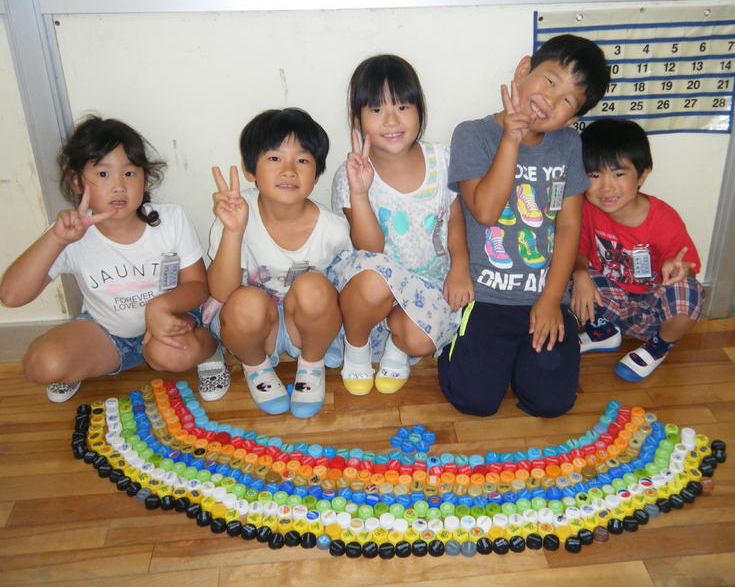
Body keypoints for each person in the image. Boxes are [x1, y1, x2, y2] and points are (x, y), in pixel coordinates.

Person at [439, 35, 610, 417]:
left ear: (573, 118)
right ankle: (457, 346)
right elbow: (485, 212)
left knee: (551, 403)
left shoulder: (568, 145)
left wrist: (551, 299)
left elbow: (569, 225)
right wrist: (511, 140)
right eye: (550, 81)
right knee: (475, 401)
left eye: (567, 100)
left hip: (543, 295)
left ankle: (521, 360)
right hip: (487, 297)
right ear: (523, 70)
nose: (550, 99)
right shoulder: (472, 133)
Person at [0, 116, 226, 402]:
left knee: (167, 355)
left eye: (129, 173)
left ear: (145, 178)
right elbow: (11, 296)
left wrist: (160, 307)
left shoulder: (170, 219)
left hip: (173, 324)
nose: (119, 186)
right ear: (76, 181)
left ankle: (210, 350)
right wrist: (56, 240)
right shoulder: (69, 233)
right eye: (104, 174)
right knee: (42, 365)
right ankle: (80, 365)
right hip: (109, 334)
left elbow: (198, 286)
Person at [329, 54, 472, 396]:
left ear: (420, 109)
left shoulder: (442, 159)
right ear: (356, 119)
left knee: (421, 341)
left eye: (403, 107)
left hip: (428, 283)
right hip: (369, 289)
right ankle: (357, 347)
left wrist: (460, 268)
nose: (391, 120)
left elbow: (455, 221)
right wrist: (360, 192)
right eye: (377, 109)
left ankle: (397, 345)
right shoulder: (350, 175)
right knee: (374, 280)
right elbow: (370, 250)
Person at [207, 108, 350, 418]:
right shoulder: (236, 212)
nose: (289, 171)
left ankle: (311, 366)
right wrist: (234, 231)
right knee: (245, 301)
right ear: (250, 170)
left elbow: (343, 289)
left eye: (302, 160)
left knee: (314, 286)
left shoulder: (334, 229)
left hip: (307, 327)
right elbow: (220, 292)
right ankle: (256, 367)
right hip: (256, 328)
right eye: (274, 158)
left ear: (316, 174)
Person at [570, 118, 703, 380]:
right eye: (594, 175)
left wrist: (678, 269)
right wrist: (579, 273)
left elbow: (688, 269)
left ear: (642, 175)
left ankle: (658, 347)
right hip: (609, 302)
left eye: (618, 174)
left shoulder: (662, 218)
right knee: (561, 268)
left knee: (689, 291)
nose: (606, 187)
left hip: (652, 312)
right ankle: (604, 332)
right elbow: (578, 251)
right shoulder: (587, 209)